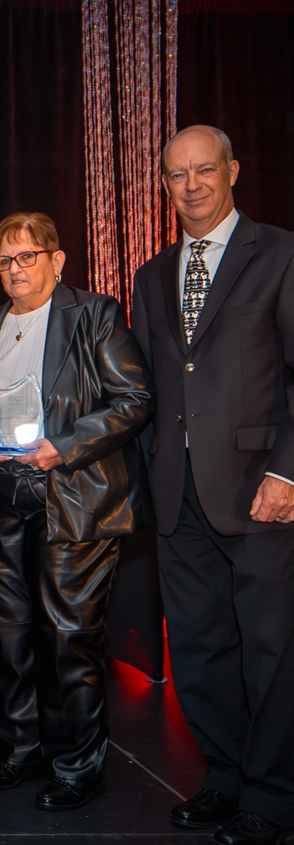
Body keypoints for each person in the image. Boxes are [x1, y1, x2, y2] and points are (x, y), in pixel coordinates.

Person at [131, 125, 294, 845]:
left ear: (233, 169)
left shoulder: (282, 254)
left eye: (204, 169)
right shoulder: (151, 273)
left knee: (271, 653)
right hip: (179, 495)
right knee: (199, 652)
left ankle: (275, 797)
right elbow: (150, 388)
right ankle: (225, 780)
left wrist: (289, 470)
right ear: (163, 186)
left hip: (264, 489)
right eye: (176, 174)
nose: (191, 184)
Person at [0, 211, 152, 812]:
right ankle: (21, 753)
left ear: (56, 258)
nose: (16, 270)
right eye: (5, 260)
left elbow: (135, 398)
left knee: (69, 637)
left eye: (28, 257)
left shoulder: (93, 314)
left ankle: (77, 766)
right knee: (9, 637)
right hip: (0, 497)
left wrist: (64, 446)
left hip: (73, 494)